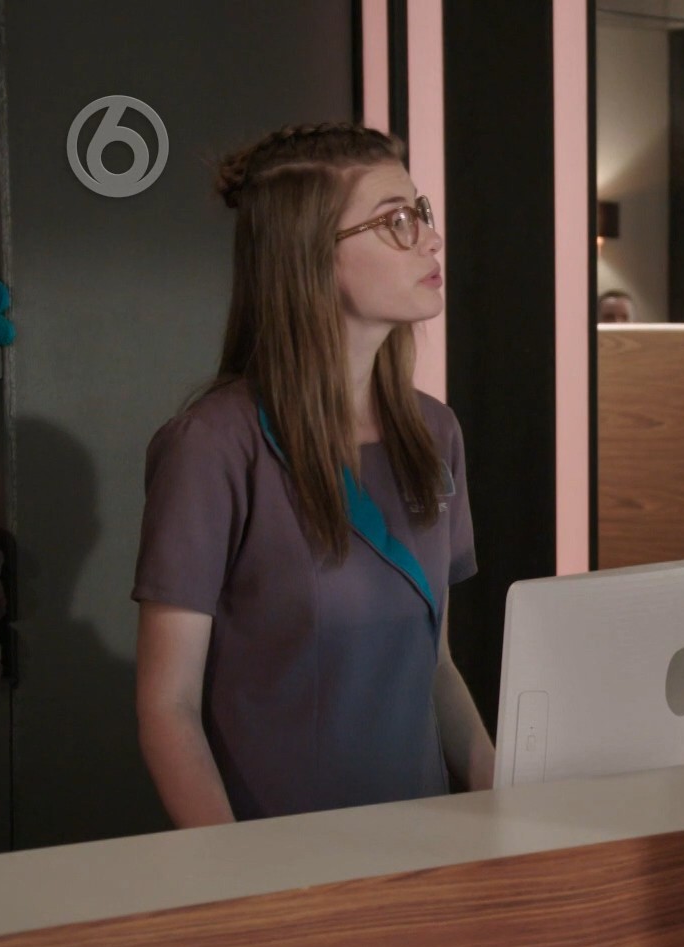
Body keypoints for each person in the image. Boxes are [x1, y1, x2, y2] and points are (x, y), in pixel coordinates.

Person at [133, 123, 493, 826]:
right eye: (395, 221)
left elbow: (436, 666)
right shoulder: (212, 447)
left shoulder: (435, 432)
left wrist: (501, 800)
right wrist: (238, 874)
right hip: (280, 857)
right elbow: (167, 708)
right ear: (311, 255)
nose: (430, 238)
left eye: (419, 213)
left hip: (424, 847)